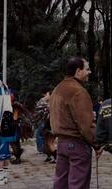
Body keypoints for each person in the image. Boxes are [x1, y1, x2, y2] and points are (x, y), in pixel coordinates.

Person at [50, 57, 97, 189]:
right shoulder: (78, 91)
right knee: (78, 185)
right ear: (78, 71)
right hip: (78, 145)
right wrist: (97, 144)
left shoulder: (57, 89)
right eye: (87, 69)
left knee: (60, 183)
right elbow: (86, 126)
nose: (90, 72)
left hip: (62, 144)